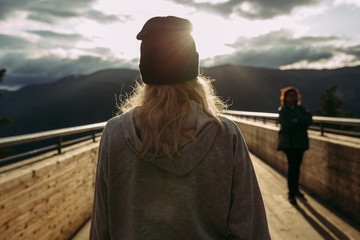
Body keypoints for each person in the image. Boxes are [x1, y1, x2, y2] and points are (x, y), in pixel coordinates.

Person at [90, 16, 270, 239]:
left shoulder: (114, 133)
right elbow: (250, 227)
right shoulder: (225, 134)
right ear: (193, 69)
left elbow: (102, 224)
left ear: (144, 70)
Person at [277, 87, 312, 205]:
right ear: (285, 98)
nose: (293, 97)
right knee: (292, 167)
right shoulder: (283, 110)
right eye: (290, 95)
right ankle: (291, 193)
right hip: (289, 144)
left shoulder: (300, 109)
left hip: (300, 143)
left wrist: (297, 121)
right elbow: (286, 124)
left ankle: (295, 190)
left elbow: (309, 120)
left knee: (296, 167)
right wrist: (300, 122)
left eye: (294, 95)